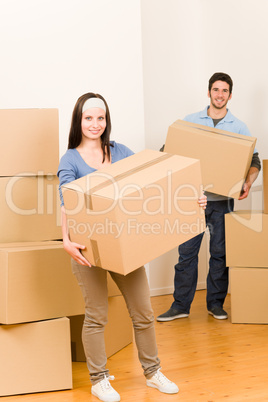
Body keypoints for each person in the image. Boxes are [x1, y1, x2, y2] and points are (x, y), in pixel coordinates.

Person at [58, 92, 195, 402]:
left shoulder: (120, 152)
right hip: (87, 249)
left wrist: (189, 199)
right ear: (79, 121)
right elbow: (67, 202)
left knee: (144, 312)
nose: (95, 123)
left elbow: (153, 181)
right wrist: (66, 240)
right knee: (97, 316)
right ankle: (99, 380)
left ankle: (152, 372)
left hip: (123, 246)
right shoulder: (70, 159)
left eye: (100, 118)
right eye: (89, 117)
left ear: (107, 121)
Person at [157, 72, 261, 323]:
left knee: (220, 254)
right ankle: (180, 305)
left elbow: (254, 160)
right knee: (187, 255)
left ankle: (215, 304)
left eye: (224, 91)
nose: (219, 95)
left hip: (222, 201)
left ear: (230, 95)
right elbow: (167, 150)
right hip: (192, 200)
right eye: (216, 90)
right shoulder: (191, 121)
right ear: (209, 92)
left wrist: (247, 182)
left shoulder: (238, 127)